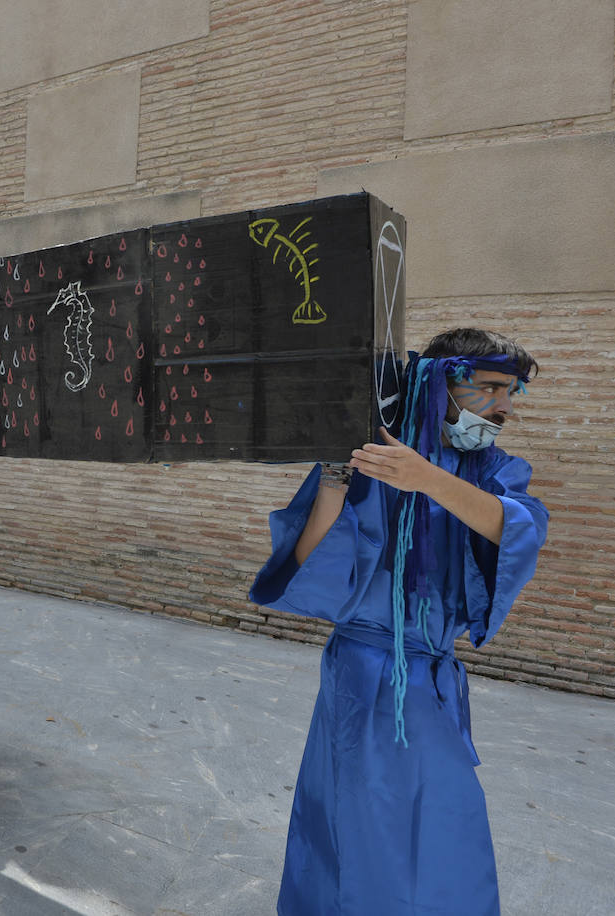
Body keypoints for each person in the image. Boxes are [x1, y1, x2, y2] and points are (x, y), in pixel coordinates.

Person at [248, 328, 548, 916]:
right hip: (364, 672)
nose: (505, 407)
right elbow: (310, 561)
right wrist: (336, 481)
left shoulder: (491, 470)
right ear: (441, 384)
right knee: (359, 825)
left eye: (512, 393)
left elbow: (520, 528)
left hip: (432, 675)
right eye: (489, 388)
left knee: (441, 821)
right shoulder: (370, 459)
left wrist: (427, 478)